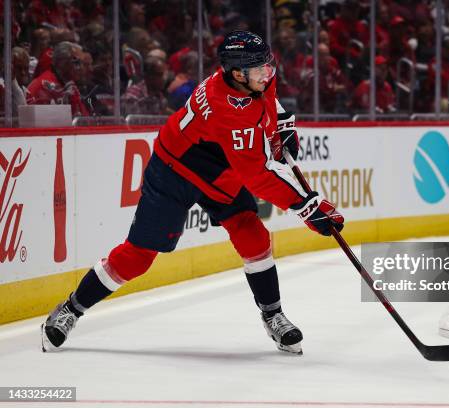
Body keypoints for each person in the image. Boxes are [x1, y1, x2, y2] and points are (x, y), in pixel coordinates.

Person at [41, 31, 344, 355]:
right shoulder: (229, 109)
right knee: (138, 257)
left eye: (266, 66)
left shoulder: (249, 79)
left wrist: (281, 123)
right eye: (259, 69)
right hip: (175, 172)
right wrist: (307, 207)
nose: (267, 74)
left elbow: (268, 97)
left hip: (220, 171)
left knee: (252, 234)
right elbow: (257, 175)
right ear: (237, 74)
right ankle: (71, 309)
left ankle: (273, 315)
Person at [27, 41, 90, 117]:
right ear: (61, 62)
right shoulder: (45, 85)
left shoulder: (68, 84)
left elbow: (84, 118)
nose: (81, 68)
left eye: (81, 63)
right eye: (76, 63)